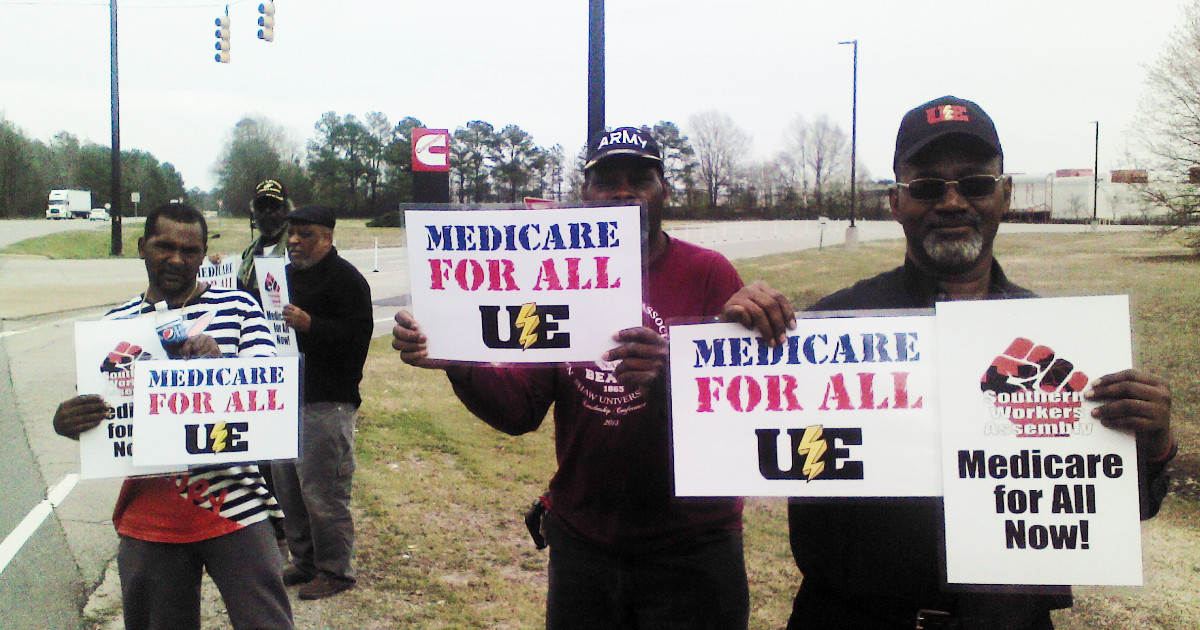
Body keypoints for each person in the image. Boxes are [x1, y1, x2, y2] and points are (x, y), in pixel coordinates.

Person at [722, 95, 1176, 630]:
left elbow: (1130, 506)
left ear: (1004, 195)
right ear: (895, 202)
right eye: (928, 187)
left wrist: (1153, 443)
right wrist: (732, 348)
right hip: (851, 616)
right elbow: (749, 448)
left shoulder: (1058, 341)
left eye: (976, 184)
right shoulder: (829, 328)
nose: (953, 202)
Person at [392, 126, 751, 629]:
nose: (623, 192)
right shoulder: (557, 275)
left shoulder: (708, 273)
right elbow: (520, 410)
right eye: (607, 182)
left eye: (640, 179)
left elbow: (737, 413)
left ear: (663, 191)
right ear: (586, 196)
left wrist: (667, 375)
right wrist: (458, 360)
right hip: (586, 544)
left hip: (691, 544)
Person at [52, 203, 292, 630]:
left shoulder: (238, 308)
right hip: (151, 512)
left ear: (203, 256)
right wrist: (69, 422)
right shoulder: (115, 327)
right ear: (142, 247)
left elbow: (272, 397)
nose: (177, 259)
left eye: (190, 250)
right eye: (164, 246)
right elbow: (104, 419)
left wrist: (221, 365)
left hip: (234, 502)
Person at [270, 205, 373, 600]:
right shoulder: (283, 277)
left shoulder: (347, 281)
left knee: (323, 492)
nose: (294, 241)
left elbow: (357, 339)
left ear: (328, 238)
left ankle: (335, 571)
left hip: (327, 402)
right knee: (289, 489)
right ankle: (305, 560)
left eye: (305, 234)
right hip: (283, 399)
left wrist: (312, 325)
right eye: (291, 233)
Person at [238, 179, 293, 305]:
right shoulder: (249, 253)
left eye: (273, 206)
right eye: (261, 207)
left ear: (286, 209)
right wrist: (217, 264)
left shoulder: (298, 248)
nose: (267, 212)